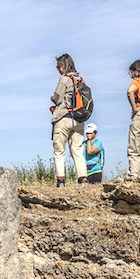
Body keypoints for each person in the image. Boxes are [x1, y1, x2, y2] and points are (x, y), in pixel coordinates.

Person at [50, 54, 89, 187]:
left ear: (64, 65)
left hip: (63, 117)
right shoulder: (81, 79)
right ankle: (83, 179)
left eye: (59, 66)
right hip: (78, 119)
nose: (58, 69)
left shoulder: (65, 79)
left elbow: (57, 98)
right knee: (77, 150)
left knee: (59, 151)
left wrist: (52, 99)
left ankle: (61, 180)